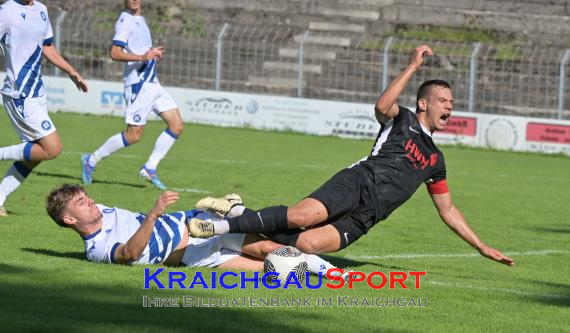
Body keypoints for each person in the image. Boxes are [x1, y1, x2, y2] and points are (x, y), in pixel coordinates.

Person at [189, 45, 515, 267]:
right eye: (443, 100)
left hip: (368, 216)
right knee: (301, 217)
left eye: (452, 103)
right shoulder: (402, 119)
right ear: (424, 104)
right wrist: (413, 66)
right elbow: (381, 106)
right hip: (357, 183)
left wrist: (481, 246)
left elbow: (448, 210)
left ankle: (239, 211)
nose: (450, 106)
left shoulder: (436, 160)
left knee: (306, 246)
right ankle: (220, 227)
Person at [45, 184, 339, 275]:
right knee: (270, 268)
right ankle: (229, 207)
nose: (91, 201)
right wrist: (152, 215)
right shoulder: (96, 249)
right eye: (82, 203)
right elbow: (129, 254)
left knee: (267, 249)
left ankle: (335, 275)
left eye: (86, 197)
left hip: (198, 228)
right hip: (193, 257)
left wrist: (163, 216)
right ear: (70, 220)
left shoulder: (103, 211)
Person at [81, 0, 184, 190]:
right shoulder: (125, 21)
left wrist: (152, 54)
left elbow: (141, 50)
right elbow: (115, 52)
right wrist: (142, 57)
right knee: (134, 135)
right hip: (138, 84)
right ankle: (91, 160)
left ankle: (149, 168)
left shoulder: (141, 19)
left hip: (153, 83)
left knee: (177, 125)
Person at [0, 0, 88, 216]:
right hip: (19, 93)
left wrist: (71, 71)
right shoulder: (6, 11)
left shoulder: (41, 10)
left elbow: (47, 46)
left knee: (35, 156)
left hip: (37, 92)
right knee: (52, 148)